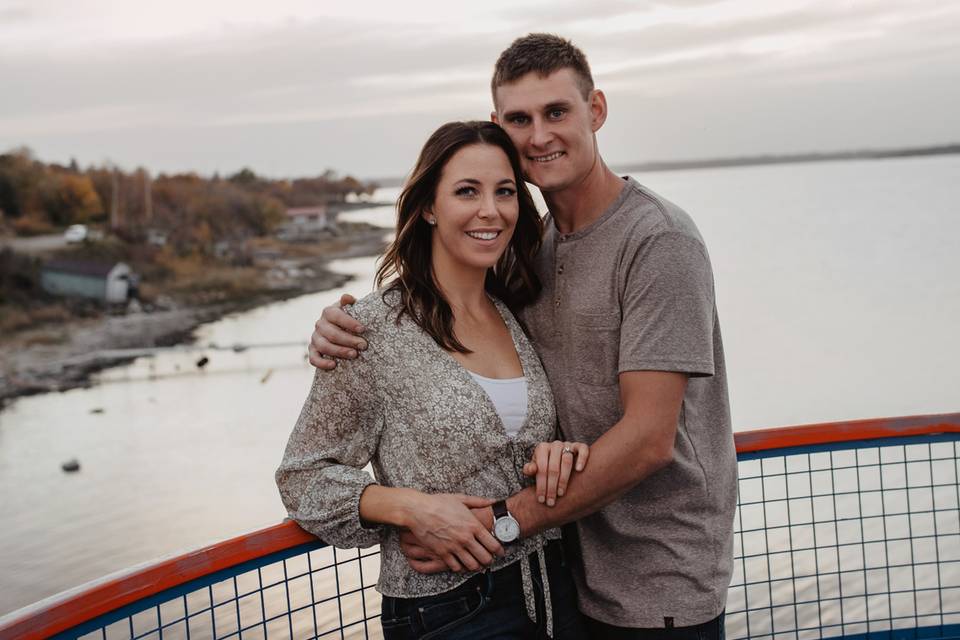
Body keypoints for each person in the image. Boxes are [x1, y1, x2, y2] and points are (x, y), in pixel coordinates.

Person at [308, 34, 737, 638]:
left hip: (655, 576)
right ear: (498, 126)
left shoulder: (658, 241)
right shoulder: (526, 253)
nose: (539, 136)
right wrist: (340, 324)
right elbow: (456, 338)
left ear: (597, 111)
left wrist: (501, 522)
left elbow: (647, 440)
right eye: (519, 119)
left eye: (556, 112)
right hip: (564, 572)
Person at [276, 120, 590, 640]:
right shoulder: (370, 331)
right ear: (428, 207)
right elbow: (301, 477)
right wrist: (409, 508)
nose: (490, 210)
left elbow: (513, 442)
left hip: (555, 592)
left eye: (505, 191)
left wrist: (559, 452)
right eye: (467, 191)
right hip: (449, 610)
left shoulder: (515, 311)